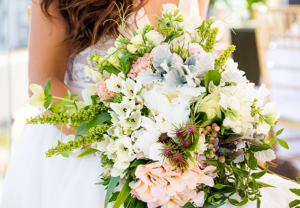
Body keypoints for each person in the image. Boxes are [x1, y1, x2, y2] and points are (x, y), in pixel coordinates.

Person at [1, 0, 300, 207]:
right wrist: (116, 139)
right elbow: (44, 80)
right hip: (83, 142)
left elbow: (200, 58)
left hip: (177, 149)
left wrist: (226, 123)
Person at [0, 0, 210, 207]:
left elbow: (200, 65)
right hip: (87, 151)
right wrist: (124, 144)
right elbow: (44, 79)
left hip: (178, 159)